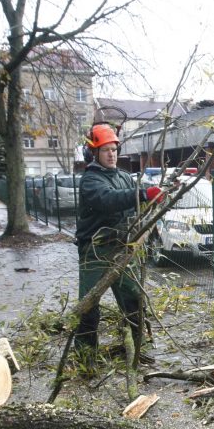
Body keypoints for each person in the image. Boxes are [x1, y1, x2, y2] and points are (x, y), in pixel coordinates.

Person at [74, 123, 164, 366]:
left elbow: (136, 192)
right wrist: (144, 195)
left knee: (134, 300)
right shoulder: (91, 180)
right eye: (105, 150)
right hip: (95, 249)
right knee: (89, 306)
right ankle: (85, 356)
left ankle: (137, 348)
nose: (111, 154)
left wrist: (157, 192)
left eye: (114, 149)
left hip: (123, 248)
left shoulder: (124, 176)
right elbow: (108, 199)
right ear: (95, 154)